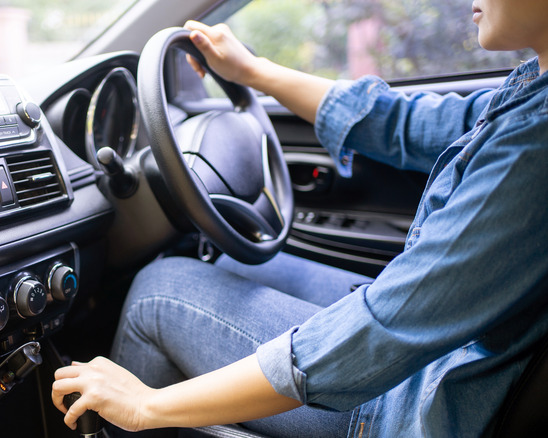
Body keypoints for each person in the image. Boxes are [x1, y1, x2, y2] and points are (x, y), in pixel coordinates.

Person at [52, 0, 548, 436]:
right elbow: (406, 122)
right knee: (230, 265)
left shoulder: (537, 144)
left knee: (157, 293)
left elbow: (385, 328)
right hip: (438, 353)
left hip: (418, 402)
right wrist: (254, 72)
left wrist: (146, 404)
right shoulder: (532, 88)